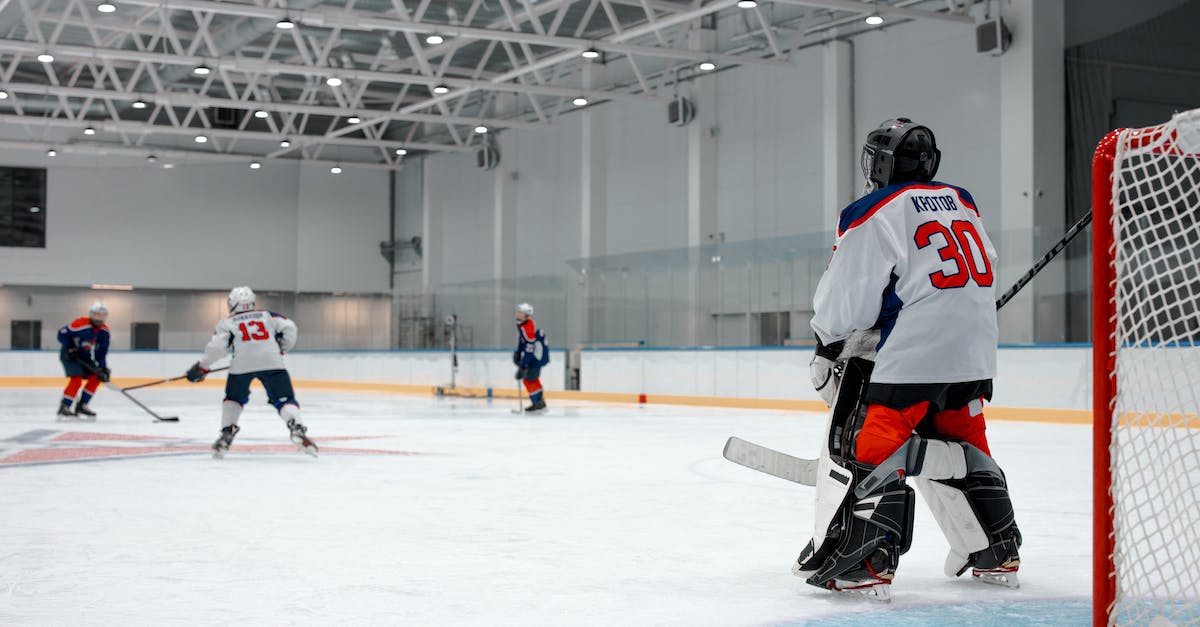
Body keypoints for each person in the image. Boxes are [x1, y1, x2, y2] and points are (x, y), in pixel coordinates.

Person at [794, 118, 1021, 601]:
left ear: (879, 163)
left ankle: (866, 560)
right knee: (963, 436)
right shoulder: (962, 200)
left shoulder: (872, 209)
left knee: (871, 439)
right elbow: (983, 268)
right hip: (974, 352)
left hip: (914, 353)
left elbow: (848, 294)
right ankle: (995, 549)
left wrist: (826, 344)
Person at [184, 286, 318, 459]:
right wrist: (282, 348)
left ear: (232, 303)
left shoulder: (227, 323)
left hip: (241, 365)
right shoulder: (268, 315)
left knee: (233, 398)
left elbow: (216, 348)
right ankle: (296, 427)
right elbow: (290, 327)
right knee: (284, 400)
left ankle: (227, 433)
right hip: (272, 362)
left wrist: (202, 367)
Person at [56, 301, 111, 420]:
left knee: (96, 377)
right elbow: (61, 334)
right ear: (91, 314)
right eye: (96, 314)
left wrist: (102, 367)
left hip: (84, 356)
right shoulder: (80, 323)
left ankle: (82, 405)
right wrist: (70, 346)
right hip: (69, 355)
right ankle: (64, 407)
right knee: (76, 380)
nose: (99, 318)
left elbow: (101, 352)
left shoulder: (104, 332)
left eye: (102, 315)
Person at [513, 303, 550, 413]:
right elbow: (522, 341)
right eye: (518, 312)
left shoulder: (528, 328)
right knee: (532, 379)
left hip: (536, 358)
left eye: (521, 313)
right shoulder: (523, 325)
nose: (518, 314)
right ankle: (539, 402)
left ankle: (537, 402)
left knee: (529, 379)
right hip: (535, 357)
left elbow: (530, 348)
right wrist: (518, 352)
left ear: (526, 315)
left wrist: (523, 364)